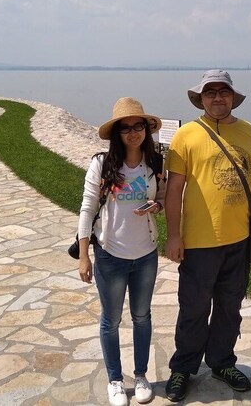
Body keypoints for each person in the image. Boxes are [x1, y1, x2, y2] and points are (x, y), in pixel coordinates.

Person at [163, 69, 251, 402]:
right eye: (211, 93)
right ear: (201, 98)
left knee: (229, 307)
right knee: (193, 308)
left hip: (239, 239)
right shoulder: (186, 135)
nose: (217, 98)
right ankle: (183, 367)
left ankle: (222, 361)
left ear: (232, 97)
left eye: (223, 92)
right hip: (198, 242)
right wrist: (174, 236)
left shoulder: (249, 131)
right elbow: (174, 189)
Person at [77, 97, 165, 406]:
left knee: (142, 317)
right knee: (111, 320)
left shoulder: (155, 164)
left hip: (145, 255)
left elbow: (163, 199)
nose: (132, 133)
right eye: (125, 128)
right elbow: (87, 210)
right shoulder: (102, 164)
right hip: (110, 255)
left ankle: (140, 375)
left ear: (146, 129)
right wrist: (85, 255)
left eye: (137, 126)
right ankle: (115, 379)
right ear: (117, 133)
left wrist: (157, 205)